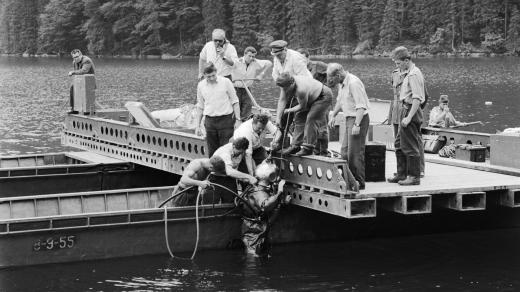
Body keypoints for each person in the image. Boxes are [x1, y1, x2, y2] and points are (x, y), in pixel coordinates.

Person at [327, 63, 370, 190]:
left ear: (339, 74)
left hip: (359, 118)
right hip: (348, 118)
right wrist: (333, 115)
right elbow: (340, 101)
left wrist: (357, 124)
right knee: (344, 152)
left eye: (333, 79)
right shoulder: (342, 84)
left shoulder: (353, 83)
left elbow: (361, 105)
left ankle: (359, 182)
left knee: (354, 153)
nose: (332, 82)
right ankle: (349, 179)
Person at [387, 46, 425, 186]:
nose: (397, 66)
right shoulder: (407, 72)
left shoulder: (414, 74)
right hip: (405, 108)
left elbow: (417, 98)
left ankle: (414, 177)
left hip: (410, 111)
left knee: (410, 145)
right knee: (398, 144)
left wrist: (409, 117)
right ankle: (402, 174)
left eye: (398, 63)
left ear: (407, 60)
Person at [239, 162, 291, 256]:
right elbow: (265, 206)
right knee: (253, 255)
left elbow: (269, 207)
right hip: (254, 231)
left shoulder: (259, 188)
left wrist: (282, 202)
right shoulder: (259, 192)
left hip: (258, 228)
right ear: (271, 176)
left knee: (260, 254)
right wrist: (279, 192)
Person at [275, 73, 332, 156]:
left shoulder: (300, 89)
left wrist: (289, 110)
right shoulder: (284, 85)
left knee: (311, 119)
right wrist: (278, 118)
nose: (285, 90)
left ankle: (308, 148)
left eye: (286, 88)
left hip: (323, 96)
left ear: (292, 83)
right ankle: (295, 146)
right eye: (283, 89)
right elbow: (282, 101)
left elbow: (302, 106)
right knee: (299, 118)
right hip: (310, 96)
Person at [195, 63, 241, 157]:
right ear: (204, 75)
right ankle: (214, 170)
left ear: (216, 72)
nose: (211, 78)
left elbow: (235, 101)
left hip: (226, 120)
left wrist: (238, 119)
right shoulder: (201, 85)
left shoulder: (226, 82)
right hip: (210, 121)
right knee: (212, 151)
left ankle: (226, 170)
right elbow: (200, 106)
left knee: (226, 149)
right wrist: (197, 125)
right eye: (208, 77)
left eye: (213, 75)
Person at [204, 137, 257, 204]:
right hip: (216, 178)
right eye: (239, 152)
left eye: (242, 152)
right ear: (233, 146)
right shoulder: (225, 152)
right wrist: (249, 177)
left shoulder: (241, 152)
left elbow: (248, 159)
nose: (240, 154)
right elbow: (229, 171)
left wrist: (248, 177)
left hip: (229, 179)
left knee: (232, 204)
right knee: (210, 205)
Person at [297, 48, 330, 155]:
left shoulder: (317, 65)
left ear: (308, 58)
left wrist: (327, 85)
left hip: (322, 98)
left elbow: (332, 70)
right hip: (310, 100)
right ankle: (315, 150)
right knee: (311, 124)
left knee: (322, 126)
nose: (301, 61)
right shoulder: (300, 69)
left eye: (303, 58)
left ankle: (324, 151)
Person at [232, 46, 272, 121]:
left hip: (247, 89)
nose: (251, 58)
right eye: (249, 56)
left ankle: (244, 126)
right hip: (235, 89)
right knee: (235, 109)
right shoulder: (237, 61)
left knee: (247, 110)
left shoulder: (255, 62)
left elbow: (269, 63)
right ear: (244, 54)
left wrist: (261, 74)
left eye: (253, 56)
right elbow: (229, 65)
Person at [68, 49, 95, 113]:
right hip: (80, 80)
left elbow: (84, 71)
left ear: (81, 55)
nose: (76, 59)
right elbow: (77, 73)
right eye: (74, 57)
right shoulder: (74, 62)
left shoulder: (87, 60)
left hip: (89, 81)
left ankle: (88, 111)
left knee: (86, 94)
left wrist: (73, 72)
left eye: (77, 57)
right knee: (72, 88)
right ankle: (73, 109)